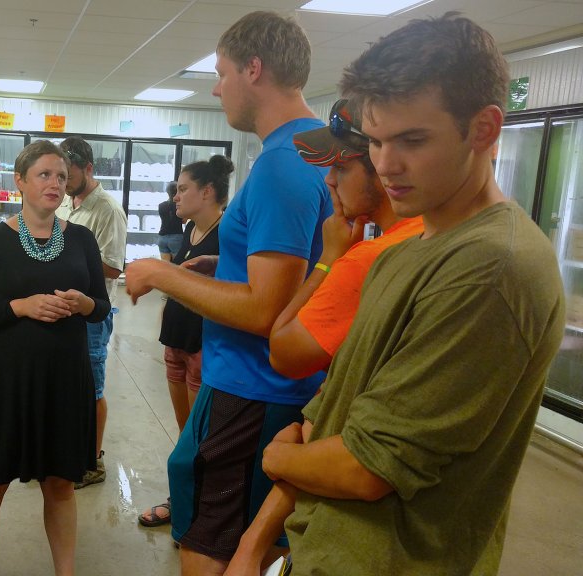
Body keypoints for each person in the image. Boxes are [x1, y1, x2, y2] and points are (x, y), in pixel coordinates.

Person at [230, 13, 565, 576]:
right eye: (379, 141)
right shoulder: (402, 252)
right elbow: (327, 418)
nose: (385, 165)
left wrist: (279, 457)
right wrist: (252, 546)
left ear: (484, 129)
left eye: (412, 140)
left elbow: (367, 466)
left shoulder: (490, 268)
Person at [124, 11, 331, 574]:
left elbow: (266, 311)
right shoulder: (316, 151)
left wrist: (164, 274)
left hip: (251, 389)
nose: (216, 87)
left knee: (211, 545)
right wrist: (225, 261)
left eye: (221, 72)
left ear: (253, 69)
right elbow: (306, 266)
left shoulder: (283, 166)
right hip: (272, 388)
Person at [0, 139, 110, 576]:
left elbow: (101, 304)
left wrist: (84, 305)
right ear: (20, 181)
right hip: (8, 379)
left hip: (65, 378)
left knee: (61, 484)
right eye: (44, 175)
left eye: (61, 176)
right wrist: (18, 307)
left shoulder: (81, 239)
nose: (55, 184)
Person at [268, 99, 425, 380]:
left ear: (381, 169)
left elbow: (283, 355)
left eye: (340, 167)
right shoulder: (426, 232)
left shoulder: (367, 258)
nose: (329, 180)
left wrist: (329, 259)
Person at [138, 155, 232, 528]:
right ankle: (184, 498)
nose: (175, 197)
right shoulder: (189, 232)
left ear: (207, 192)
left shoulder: (227, 235)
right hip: (175, 343)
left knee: (199, 436)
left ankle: (196, 510)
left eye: (183, 189)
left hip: (201, 346)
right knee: (184, 434)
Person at [56, 136, 128, 490]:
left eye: (67, 176)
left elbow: (114, 268)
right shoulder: (65, 204)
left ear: (88, 168)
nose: (61, 183)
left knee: (91, 388)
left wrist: (66, 264)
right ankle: (66, 452)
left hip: (93, 314)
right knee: (64, 383)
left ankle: (93, 461)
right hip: (63, 310)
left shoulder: (108, 210)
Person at [157, 182, 185, 262]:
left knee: (166, 266)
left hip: (162, 237)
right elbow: (184, 221)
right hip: (176, 236)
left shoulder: (161, 205)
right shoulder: (179, 206)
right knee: (176, 266)